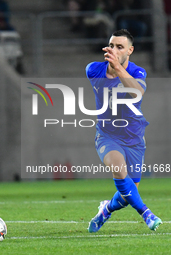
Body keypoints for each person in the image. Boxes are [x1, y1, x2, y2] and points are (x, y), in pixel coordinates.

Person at [86, 29, 162, 232]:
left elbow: (136, 92)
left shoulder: (138, 72)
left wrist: (118, 68)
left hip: (134, 137)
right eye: (111, 45)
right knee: (119, 170)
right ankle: (147, 214)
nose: (114, 49)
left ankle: (105, 210)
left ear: (130, 50)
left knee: (128, 194)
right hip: (107, 135)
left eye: (120, 47)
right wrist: (115, 68)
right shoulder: (94, 70)